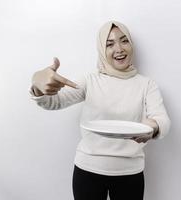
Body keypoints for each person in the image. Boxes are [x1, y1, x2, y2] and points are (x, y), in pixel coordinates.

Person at [29, 20, 171, 200]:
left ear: (131, 45)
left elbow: (162, 120)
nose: (119, 49)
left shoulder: (146, 84)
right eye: (109, 44)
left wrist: (152, 127)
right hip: (87, 171)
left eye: (124, 40)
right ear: (101, 50)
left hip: (130, 173)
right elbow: (54, 102)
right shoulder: (90, 80)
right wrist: (37, 86)